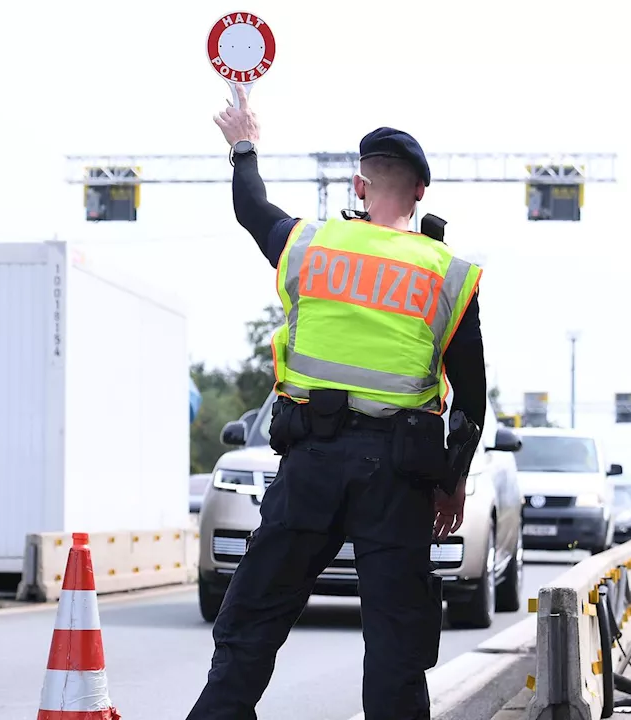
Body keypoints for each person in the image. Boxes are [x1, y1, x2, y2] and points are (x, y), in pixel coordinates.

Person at [187, 84, 488, 720]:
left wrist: (245, 143)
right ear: (419, 193)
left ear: (359, 186)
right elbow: (471, 397)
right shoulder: (449, 273)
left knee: (252, 623)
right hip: (398, 480)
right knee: (397, 647)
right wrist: (453, 481)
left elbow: (251, 208)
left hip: (312, 467)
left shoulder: (310, 245)